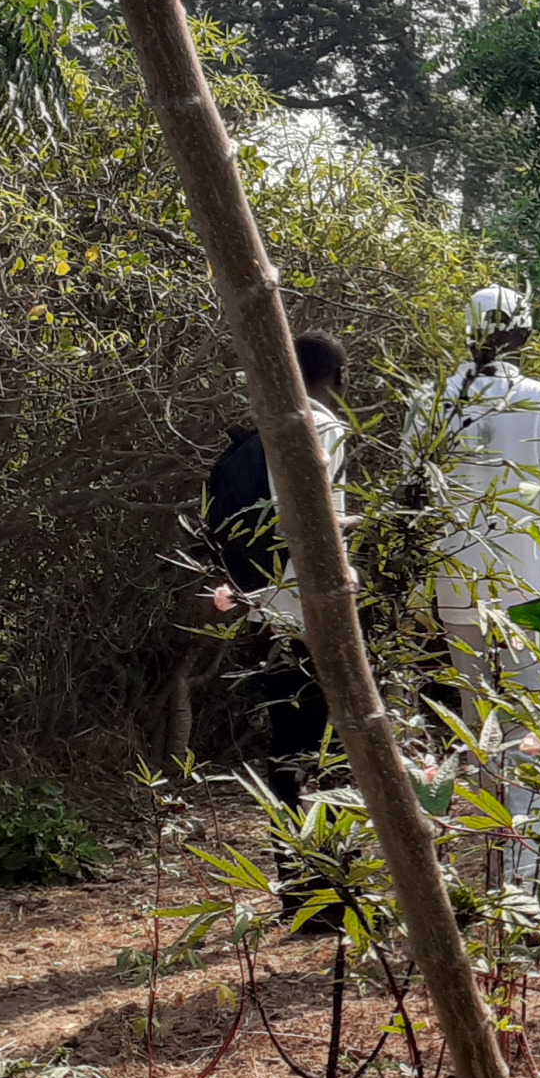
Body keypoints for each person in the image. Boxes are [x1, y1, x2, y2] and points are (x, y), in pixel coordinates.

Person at [201, 329, 351, 807]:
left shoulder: (270, 426)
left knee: (289, 737)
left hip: (266, 603)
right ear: (341, 377)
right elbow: (323, 528)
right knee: (319, 741)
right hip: (312, 609)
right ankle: (314, 864)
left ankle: (294, 863)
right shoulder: (323, 428)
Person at [431, 284, 540, 684]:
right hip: (532, 586)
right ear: (525, 336)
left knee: (477, 709)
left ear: (468, 332)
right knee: (533, 711)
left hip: (457, 584)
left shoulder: (429, 401)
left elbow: (413, 497)